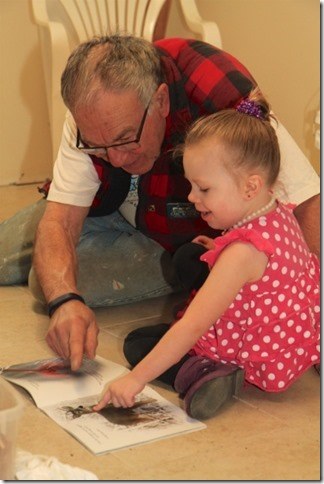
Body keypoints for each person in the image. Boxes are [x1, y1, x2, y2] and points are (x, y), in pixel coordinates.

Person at [0, 35, 319, 371]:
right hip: (106, 207)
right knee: (28, 264)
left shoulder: (226, 99)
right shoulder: (89, 116)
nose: (116, 159)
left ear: (161, 101)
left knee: (41, 280)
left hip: (176, 236)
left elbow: (307, 202)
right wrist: (65, 301)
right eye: (98, 147)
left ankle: (198, 272)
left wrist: (312, 319)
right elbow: (60, 220)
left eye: (125, 139)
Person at [93, 89, 320, 420]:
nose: (192, 197)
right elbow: (270, 271)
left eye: (204, 189)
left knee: (140, 345)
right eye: (191, 185)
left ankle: (207, 373)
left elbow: (193, 326)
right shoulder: (279, 212)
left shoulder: (241, 254)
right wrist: (218, 249)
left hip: (254, 355)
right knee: (191, 257)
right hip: (288, 345)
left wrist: (134, 379)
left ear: (250, 187)